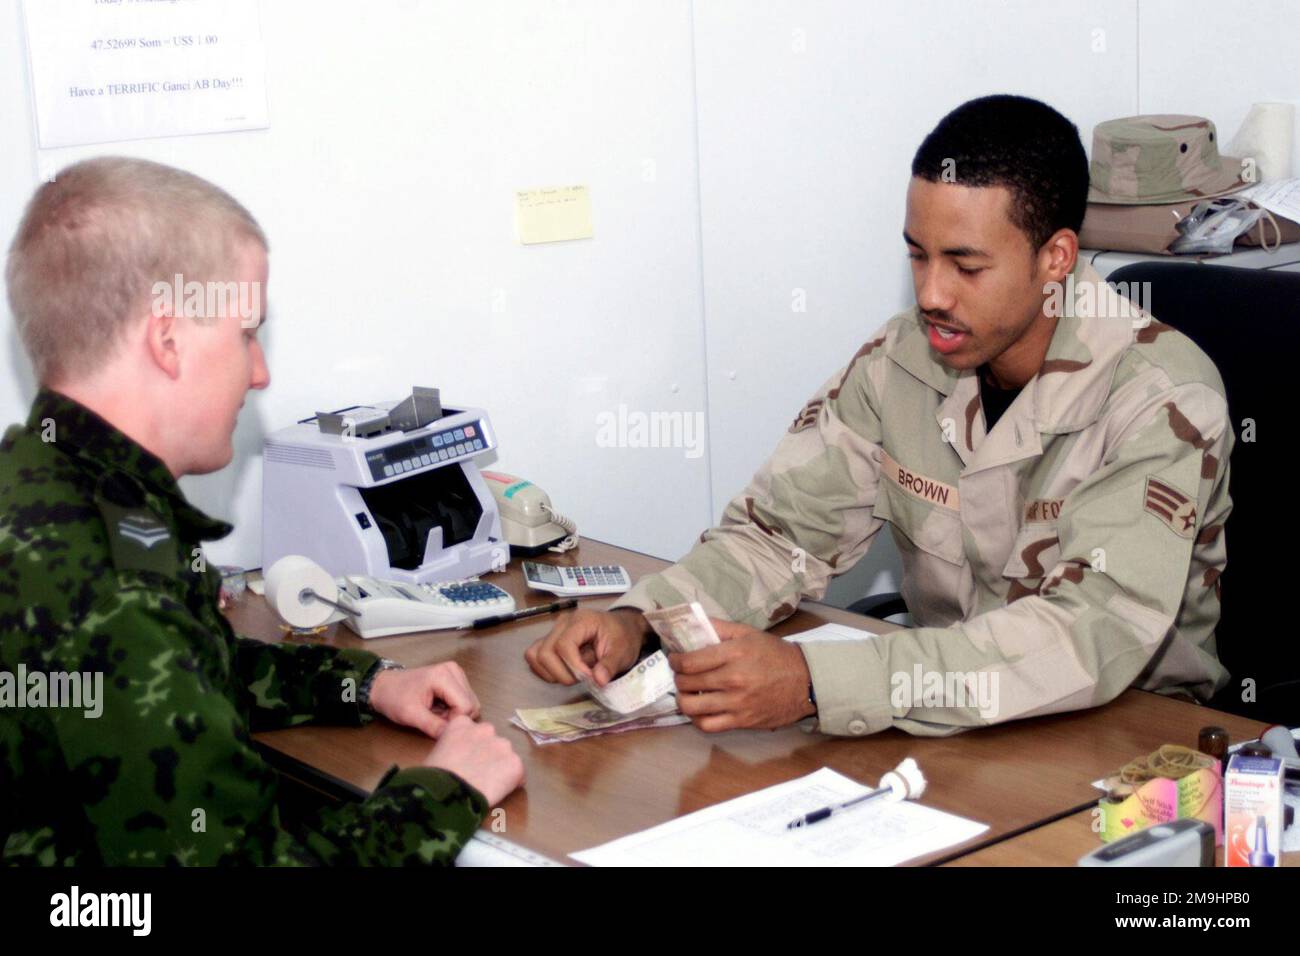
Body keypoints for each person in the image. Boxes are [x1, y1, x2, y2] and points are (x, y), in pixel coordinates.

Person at [526, 95, 1233, 737]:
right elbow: (778, 538)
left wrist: (816, 684)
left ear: (1055, 258)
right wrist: (641, 624)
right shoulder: (903, 361)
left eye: (965, 265)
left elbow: (1087, 635)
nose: (930, 293)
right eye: (917, 255)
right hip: (941, 726)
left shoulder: (1159, 398)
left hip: (1122, 739)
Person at [0, 157, 523, 865]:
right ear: (168, 340)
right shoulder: (115, 585)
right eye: (246, 334)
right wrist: (449, 789)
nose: (260, 372)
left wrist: (366, 684)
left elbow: (184, 679)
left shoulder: (38, 484)